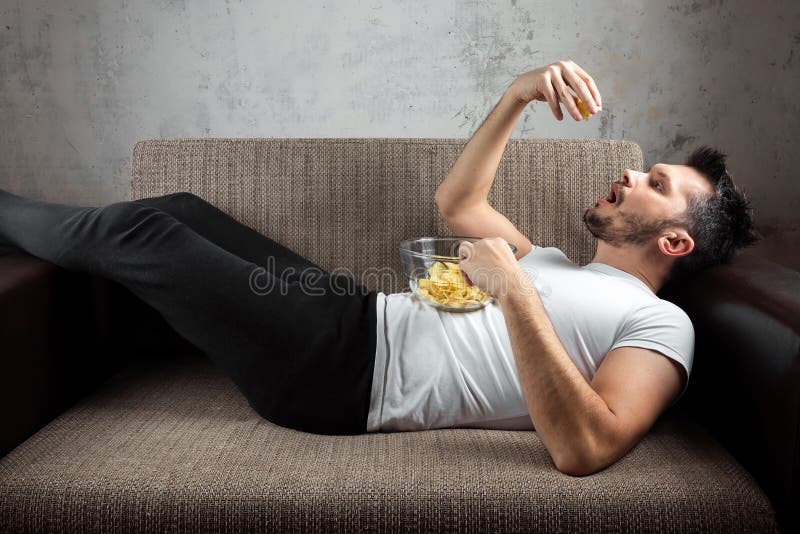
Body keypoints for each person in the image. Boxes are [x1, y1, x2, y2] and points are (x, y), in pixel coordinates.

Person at [0, 60, 759, 476]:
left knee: (142, 231)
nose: (633, 179)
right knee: (181, 211)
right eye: (646, 172)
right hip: (352, 316)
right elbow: (458, 202)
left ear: (676, 244)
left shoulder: (662, 325)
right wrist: (518, 93)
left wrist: (515, 290)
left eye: (656, 186)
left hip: (342, 378)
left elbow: (587, 447)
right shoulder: (562, 262)